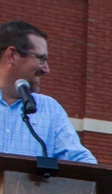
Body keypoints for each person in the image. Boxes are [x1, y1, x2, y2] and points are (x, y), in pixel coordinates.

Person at [0, 21, 95, 163]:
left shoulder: (49, 109)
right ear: (12, 55)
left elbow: (83, 164)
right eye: (40, 58)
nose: (46, 69)